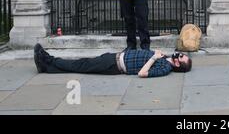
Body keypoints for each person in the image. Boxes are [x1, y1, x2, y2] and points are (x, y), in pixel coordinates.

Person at [33, 44, 192, 78]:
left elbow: (142, 73)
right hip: (115, 57)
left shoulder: (165, 68)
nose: (178, 54)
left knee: (79, 64)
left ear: (177, 64)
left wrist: (154, 57)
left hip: (114, 65)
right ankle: (47, 67)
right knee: (81, 65)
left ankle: (47, 59)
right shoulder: (164, 58)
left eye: (180, 57)